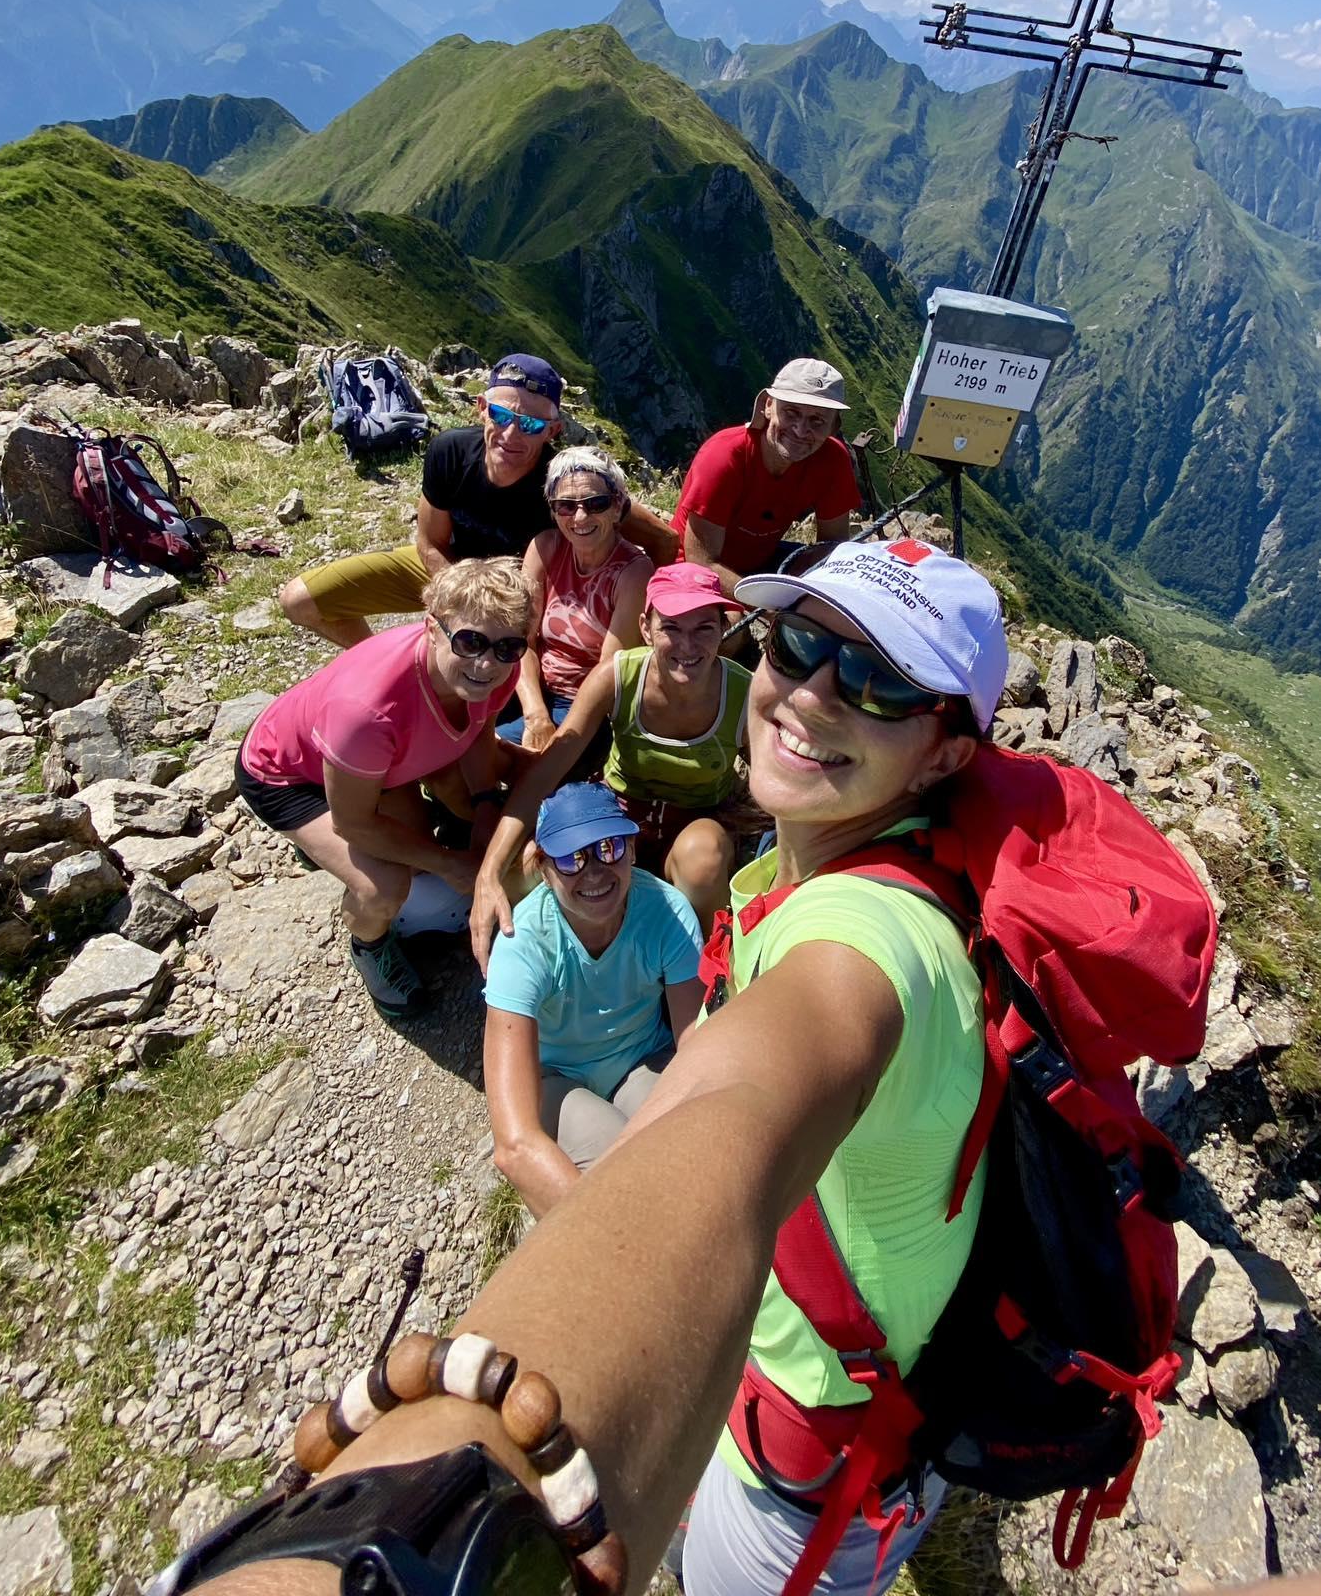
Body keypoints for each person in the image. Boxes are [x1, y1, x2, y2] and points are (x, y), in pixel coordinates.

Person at [168, 538, 1009, 1596]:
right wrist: (486, 865)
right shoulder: (817, 878)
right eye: (799, 644)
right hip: (801, 1389)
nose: (810, 693)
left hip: (808, 1453)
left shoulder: (861, 949)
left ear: (943, 755)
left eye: (880, 681)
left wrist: (395, 1534)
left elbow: (730, 1113)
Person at [237, 556, 534, 1022]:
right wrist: (450, 863)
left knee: (418, 851)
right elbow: (354, 823)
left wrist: (483, 804)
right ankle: (369, 945)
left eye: (507, 647)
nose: (485, 663)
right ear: (432, 627)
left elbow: (478, 733)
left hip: (377, 766)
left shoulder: (495, 667)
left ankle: (328, 842)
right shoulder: (368, 711)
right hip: (288, 774)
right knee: (385, 886)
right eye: (470, 641)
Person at [471, 560, 752, 953]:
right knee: (528, 868)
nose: (687, 646)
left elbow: (777, 787)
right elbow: (546, 771)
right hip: (618, 814)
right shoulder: (617, 676)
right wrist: (490, 869)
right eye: (671, 628)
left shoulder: (744, 694)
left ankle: (710, 964)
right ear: (645, 628)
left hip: (695, 821)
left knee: (703, 858)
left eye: (704, 628)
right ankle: (557, 956)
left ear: (724, 629)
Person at [482, 783, 703, 1219]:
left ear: (632, 850)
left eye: (608, 848)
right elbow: (514, 1143)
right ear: (544, 870)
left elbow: (697, 1050)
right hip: (557, 1079)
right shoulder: (523, 942)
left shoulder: (668, 913)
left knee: (680, 1153)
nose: (596, 872)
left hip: (642, 1059)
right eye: (571, 859)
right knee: (623, 1184)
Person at [279, 352, 566, 648]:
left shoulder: (562, 486)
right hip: (449, 564)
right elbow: (430, 544)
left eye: (531, 425)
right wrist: (461, 598)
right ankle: (384, 663)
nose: (511, 433)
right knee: (299, 601)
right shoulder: (450, 452)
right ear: (482, 409)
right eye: (501, 415)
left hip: (518, 591)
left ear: (552, 430)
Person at [499, 445, 651, 750]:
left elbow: (609, 674)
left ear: (617, 506)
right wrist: (535, 714)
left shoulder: (634, 572)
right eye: (566, 506)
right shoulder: (545, 549)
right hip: (529, 687)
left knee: (500, 753)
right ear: (553, 511)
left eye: (596, 503)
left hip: (583, 704)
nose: (580, 517)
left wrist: (554, 728)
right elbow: (521, 640)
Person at [671, 356, 862, 596]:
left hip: (760, 563)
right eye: (791, 412)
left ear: (833, 427)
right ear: (768, 406)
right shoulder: (724, 456)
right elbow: (702, 562)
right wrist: (771, 606)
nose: (801, 430)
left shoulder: (833, 460)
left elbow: (832, 548)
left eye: (817, 420)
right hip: (690, 573)